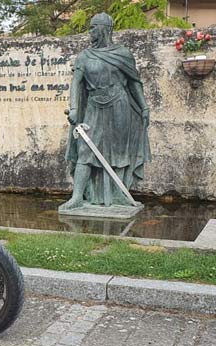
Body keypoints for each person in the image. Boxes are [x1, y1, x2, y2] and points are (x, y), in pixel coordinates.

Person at [60, 13, 151, 210]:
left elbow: (135, 83)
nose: (90, 31)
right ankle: (77, 197)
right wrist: (75, 108)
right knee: (85, 151)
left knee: (119, 152)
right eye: (90, 27)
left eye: (93, 27)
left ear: (104, 29)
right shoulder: (84, 56)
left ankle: (118, 195)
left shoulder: (123, 54)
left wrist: (144, 106)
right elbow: (76, 84)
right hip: (93, 105)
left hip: (120, 105)